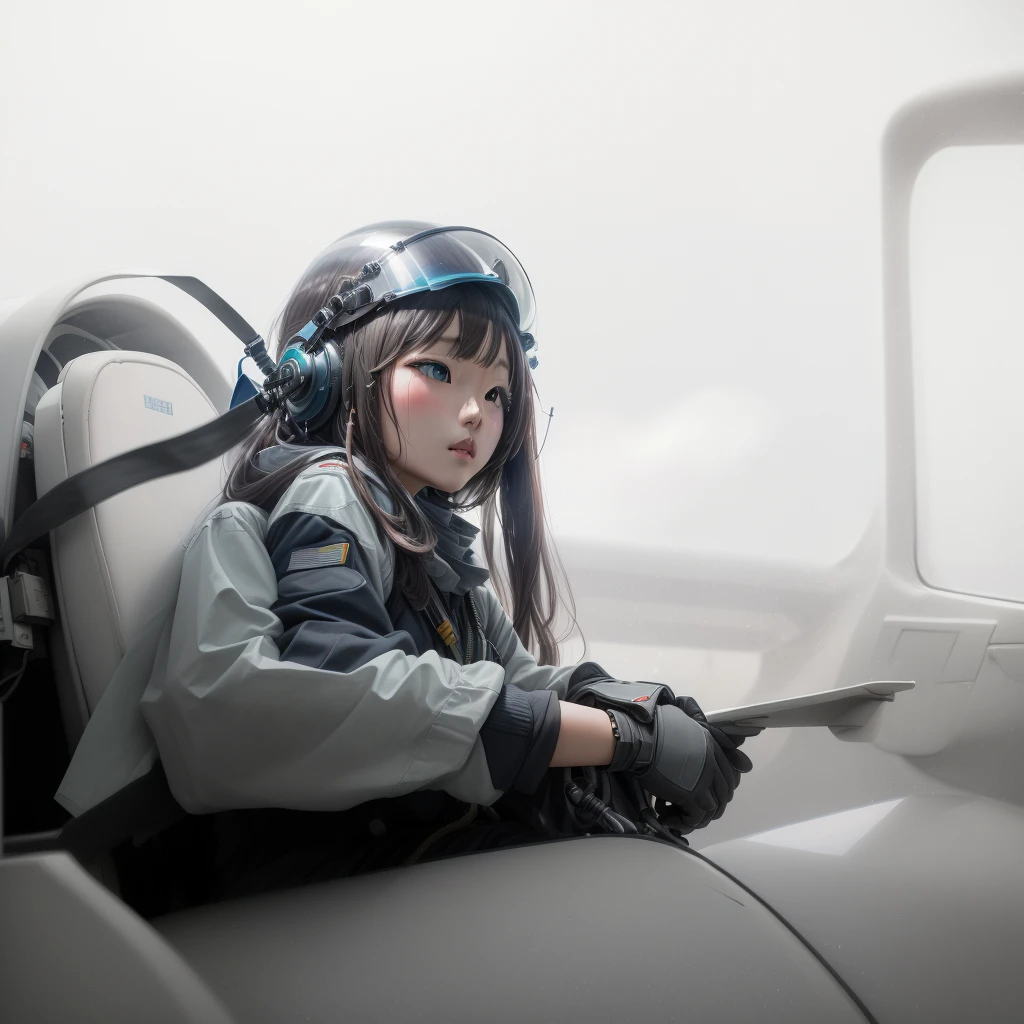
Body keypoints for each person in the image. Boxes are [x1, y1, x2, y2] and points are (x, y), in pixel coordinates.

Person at [132, 222, 758, 910]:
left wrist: (631, 703)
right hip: (322, 888)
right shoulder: (330, 491)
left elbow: (518, 680)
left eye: (496, 394)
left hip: (386, 870)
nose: (475, 414)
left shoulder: (428, 545)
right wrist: (624, 741)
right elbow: (345, 677)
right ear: (324, 377)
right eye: (438, 370)